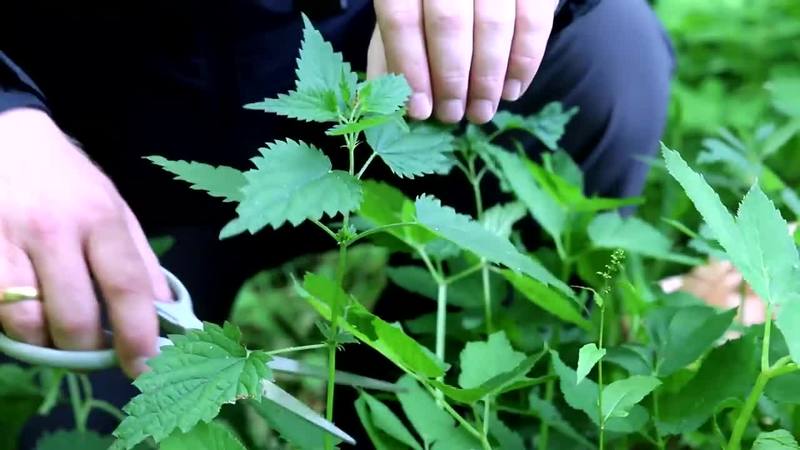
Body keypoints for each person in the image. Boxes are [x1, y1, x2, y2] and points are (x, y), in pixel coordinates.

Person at [0, 0, 674, 444]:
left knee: (610, 51)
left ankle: (430, 407)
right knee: (76, 422)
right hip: (69, 149)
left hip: (385, 90)